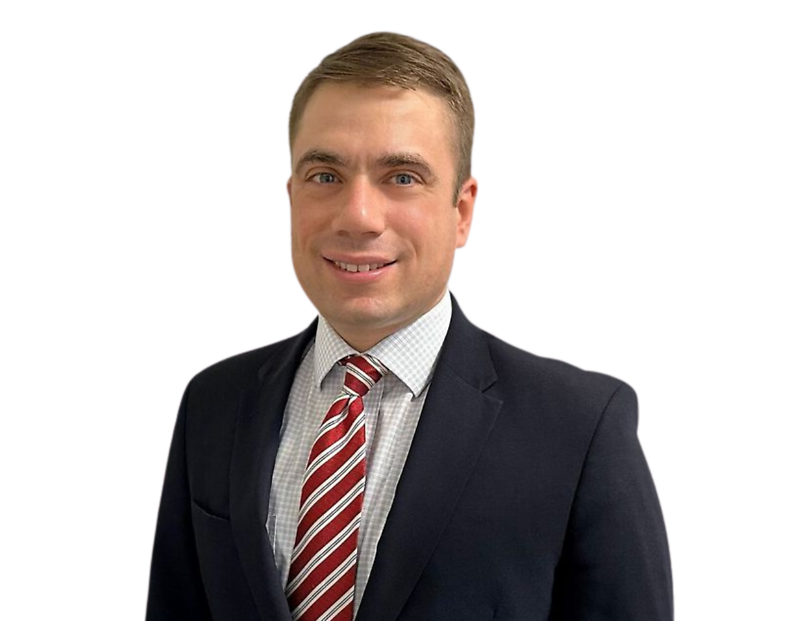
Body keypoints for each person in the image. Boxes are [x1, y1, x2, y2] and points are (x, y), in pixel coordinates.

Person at [145, 30, 675, 621]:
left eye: (402, 177)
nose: (359, 216)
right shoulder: (214, 402)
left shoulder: (581, 425)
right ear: (289, 197)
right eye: (326, 175)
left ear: (463, 212)